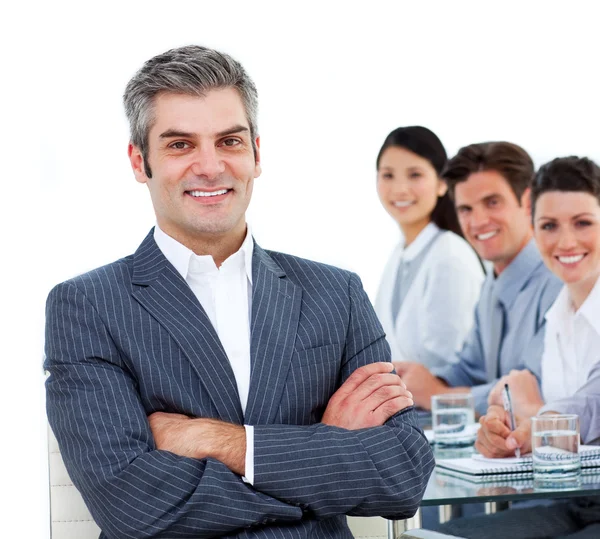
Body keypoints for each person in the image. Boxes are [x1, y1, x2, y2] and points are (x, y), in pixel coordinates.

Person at [44, 45, 434, 539]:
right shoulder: (86, 306)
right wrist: (322, 451)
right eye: (180, 145)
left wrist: (216, 440)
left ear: (255, 154)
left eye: (228, 141)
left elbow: (402, 476)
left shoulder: (337, 293)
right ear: (139, 161)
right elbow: (131, 503)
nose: (209, 166)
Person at [440, 156, 600, 539]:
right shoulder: (559, 312)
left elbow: (595, 397)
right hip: (571, 501)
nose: (565, 242)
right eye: (548, 226)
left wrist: (543, 418)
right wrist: (502, 422)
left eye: (583, 223)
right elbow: (515, 387)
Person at [395, 141, 562, 415]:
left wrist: (440, 395)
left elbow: (536, 387)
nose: (478, 221)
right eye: (466, 209)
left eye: (492, 202)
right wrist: (415, 382)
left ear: (529, 202)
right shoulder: (492, 283)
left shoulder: (558, 281)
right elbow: (471, 368)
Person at [374, 126, 484, 371]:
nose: (400, 188)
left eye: (415, 175)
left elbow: (448, 363)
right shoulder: (399, 255)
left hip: (442, 405)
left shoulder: (450, 255)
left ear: (442, 184)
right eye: (388, 175)